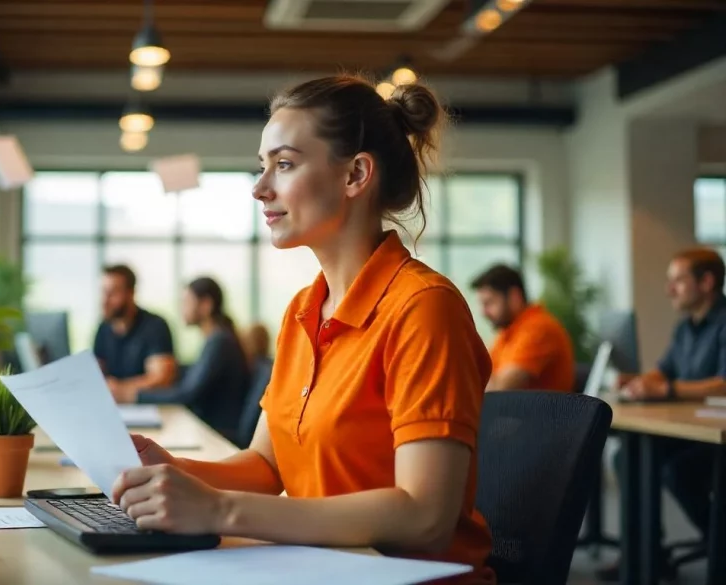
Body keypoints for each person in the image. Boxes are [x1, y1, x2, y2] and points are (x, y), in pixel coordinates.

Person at [110, 75, 496, 585]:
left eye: (284, 164)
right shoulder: (302, 311)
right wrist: (175, 469)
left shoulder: (423, 309)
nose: (259, 186)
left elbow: (425, 518)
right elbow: (267, 468)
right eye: (263, 164)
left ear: (356, 174)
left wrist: (222, 511)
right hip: (318, 569)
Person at [597, 247, 723, 582]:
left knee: (675, 470)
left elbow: (724, 384)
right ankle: (648, 553)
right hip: (689, 430)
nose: (669, 290)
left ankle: (718, 544)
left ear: (707, 281)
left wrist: (666, 390)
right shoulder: (685, 329)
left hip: (715, 436)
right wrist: (639, 381)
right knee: (628, 457)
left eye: (678, 281)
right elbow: (662, 371)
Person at [115, 277, 251, 441]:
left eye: (187, 302)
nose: (182, 308)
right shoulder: (217, 338)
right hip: (207, 429)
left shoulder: (220, 342)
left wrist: (133, 395)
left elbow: (186, 395)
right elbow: (194, 378)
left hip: (216, 435)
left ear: (206, 305)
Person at [470, 264, 575, 392]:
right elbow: (483, 374)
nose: (484, 312)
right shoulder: (509, 331)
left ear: (514, 297)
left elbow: (499, 388)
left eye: (490, 303)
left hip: (541, 411)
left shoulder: (538, 329)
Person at [93, 264, 177, 396]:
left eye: (113, 293)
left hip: (149, 407)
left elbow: (161, 379)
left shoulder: (155, 326)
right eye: (104, 292)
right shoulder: (103, 328)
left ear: (131, 293)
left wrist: (120, 388)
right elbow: (96, 374)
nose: (105, 300)